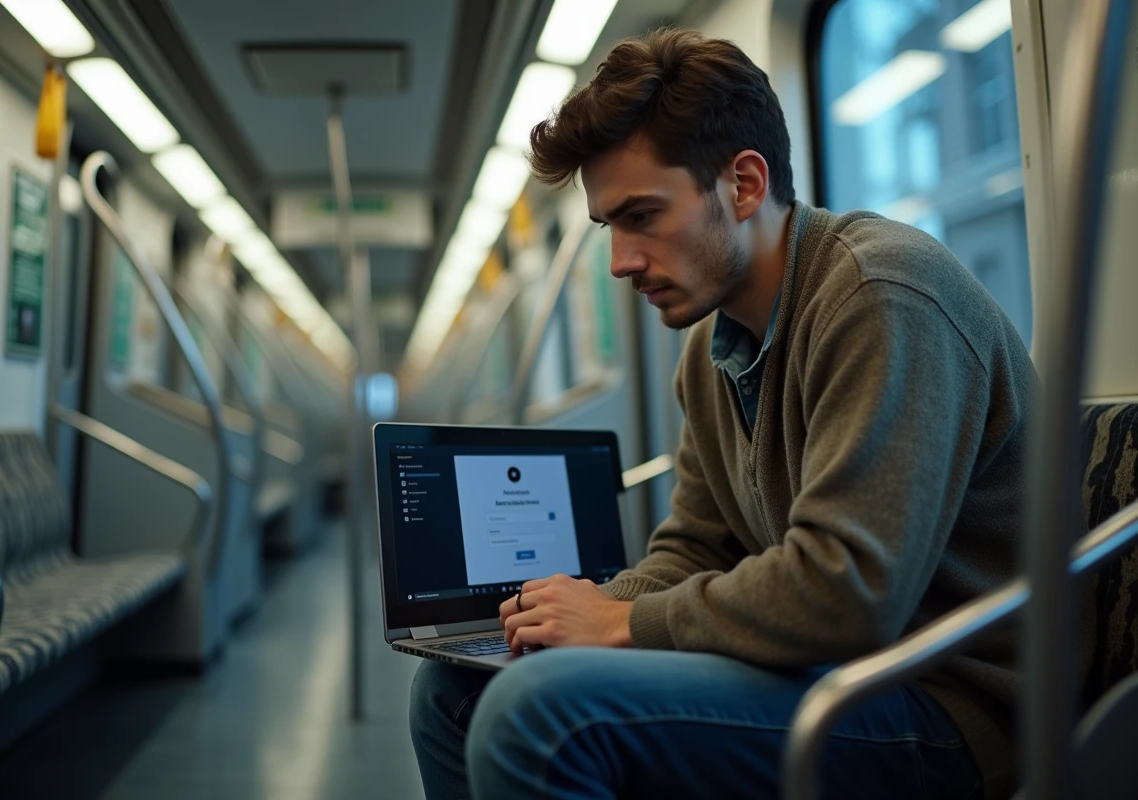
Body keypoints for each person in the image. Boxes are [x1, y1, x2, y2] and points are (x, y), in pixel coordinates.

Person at [411, 27, 1041, 800]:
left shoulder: (882, 295)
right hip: (846, 673)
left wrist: (619, 627)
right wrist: (588, 606)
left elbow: (849, 592)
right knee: (455, 695)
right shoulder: (713, 347)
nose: (621, 263)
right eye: (612, 227)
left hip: (953, 702)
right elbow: (694, 548)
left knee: (536, 713)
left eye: (644, 215)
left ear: (743, 184)